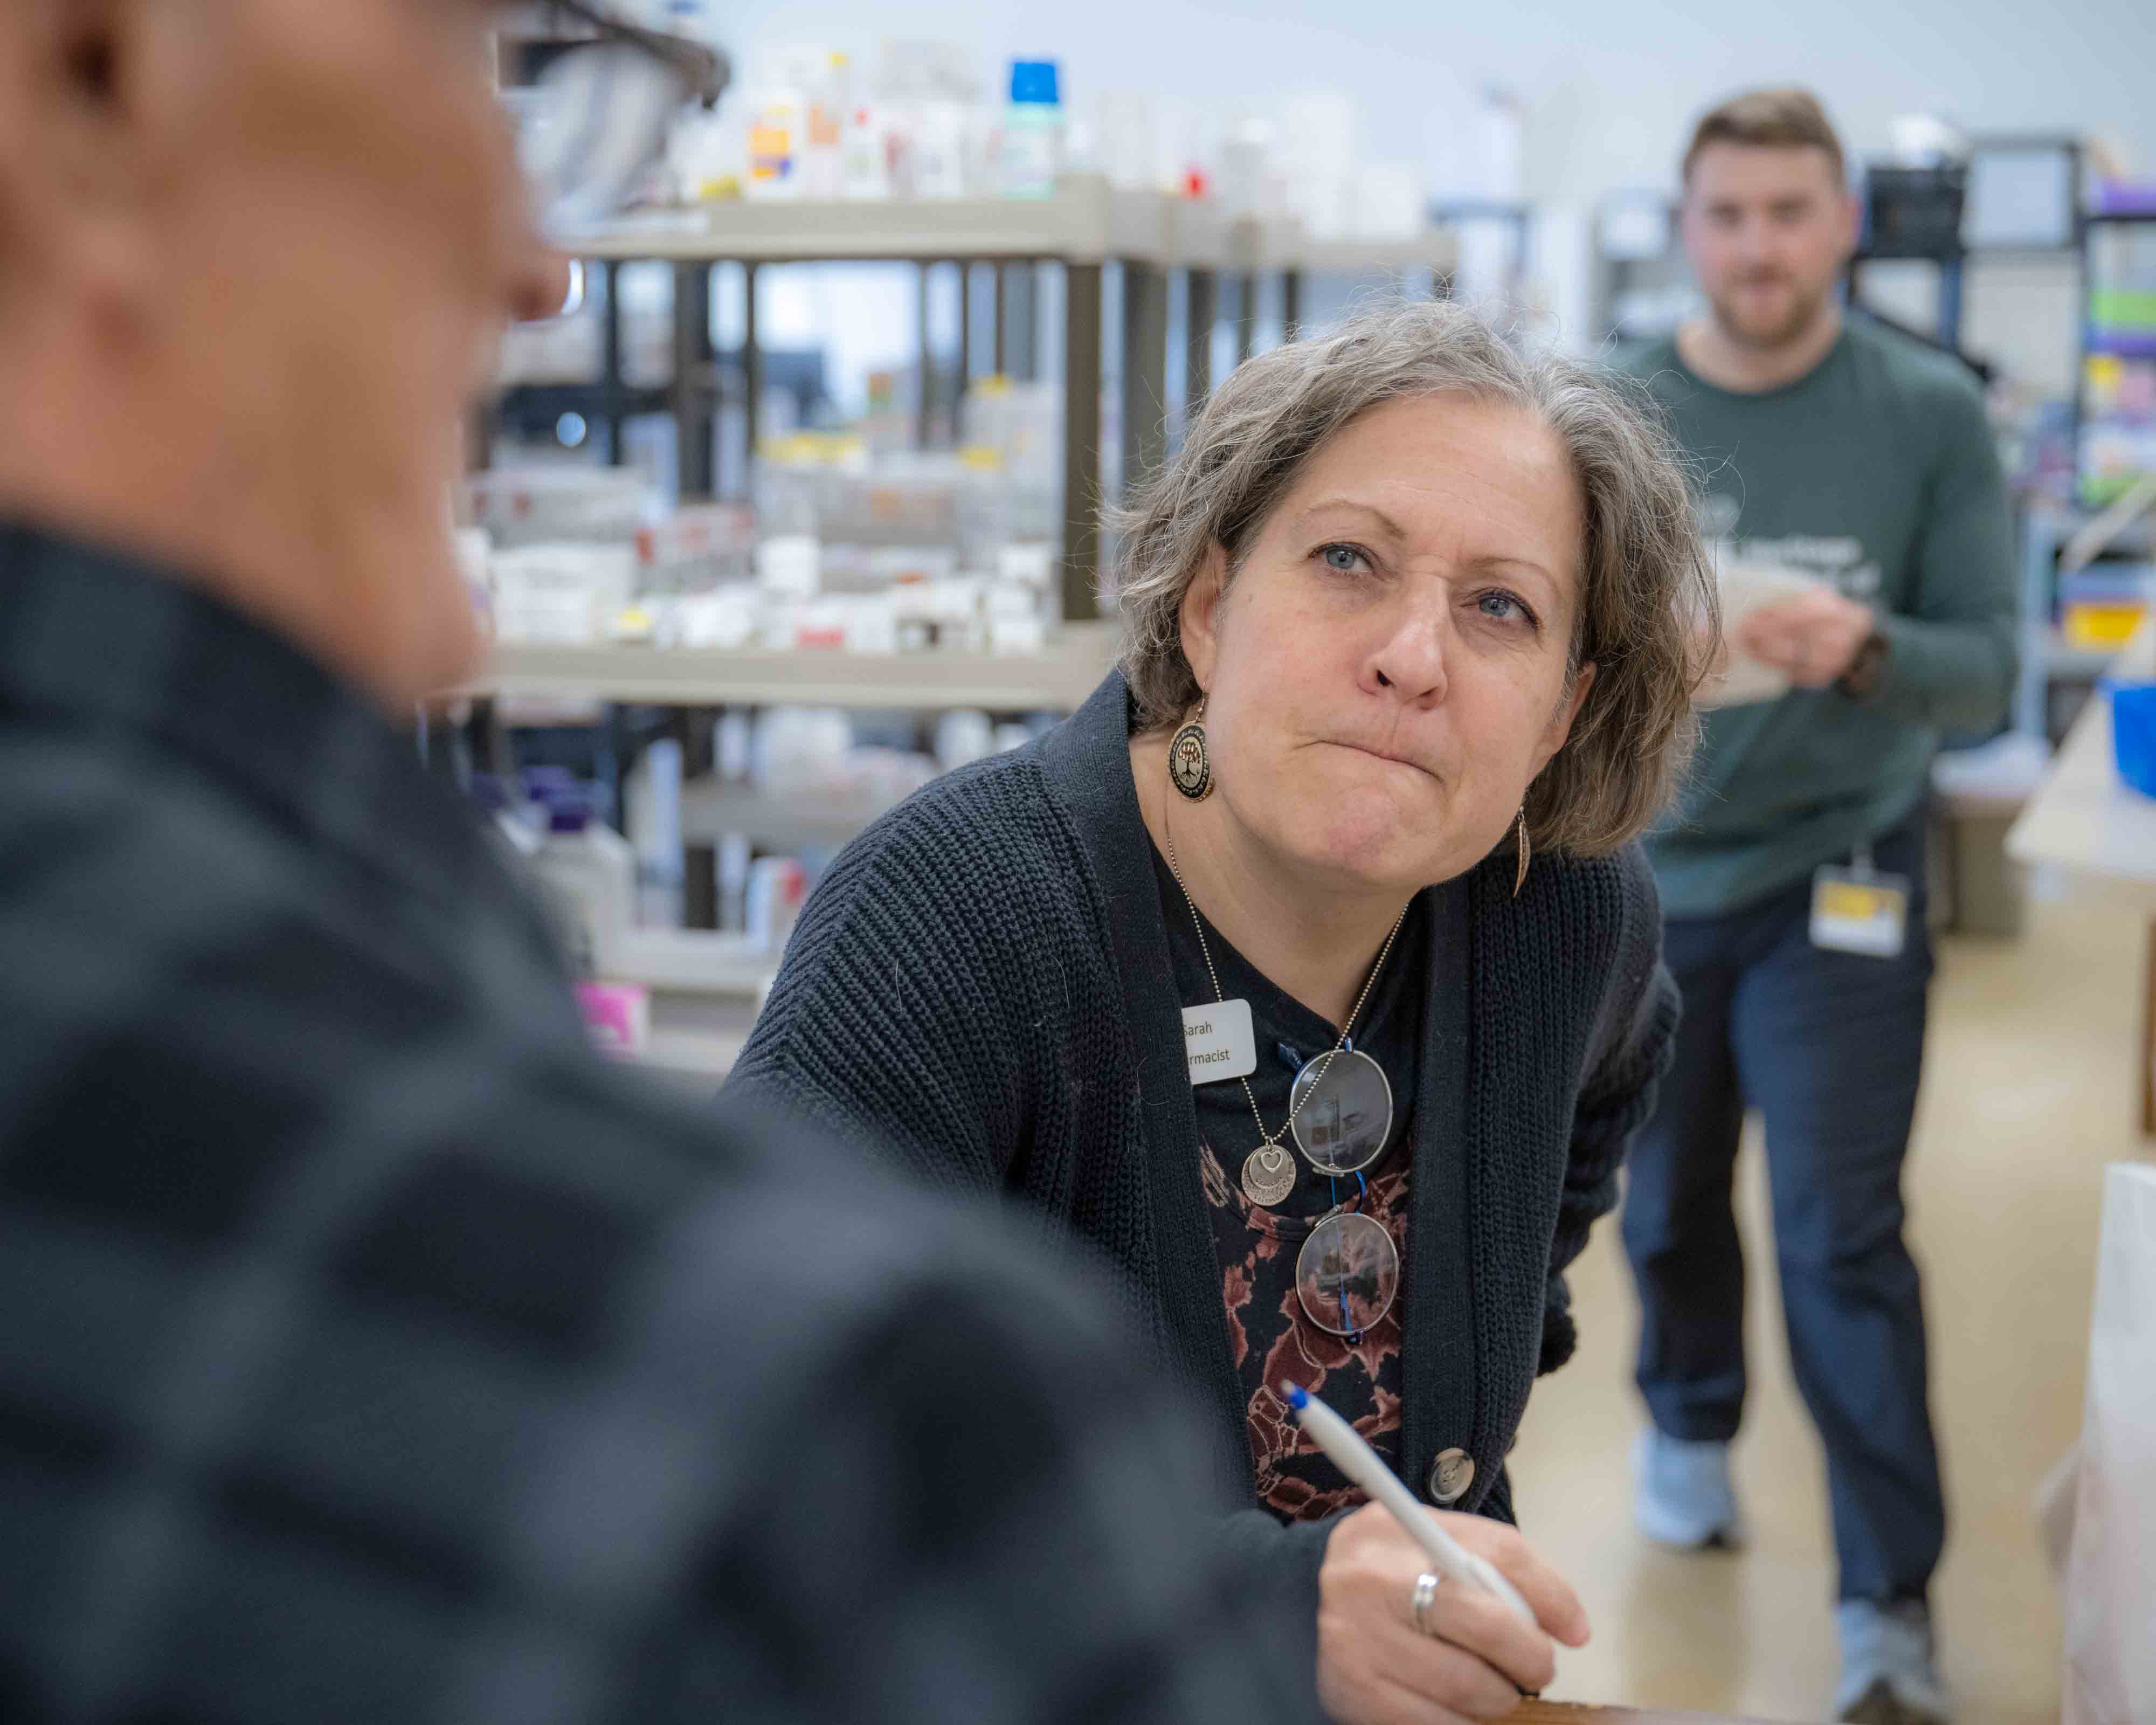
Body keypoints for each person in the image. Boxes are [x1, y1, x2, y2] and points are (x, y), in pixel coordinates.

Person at [0, 5, 1318, 1722]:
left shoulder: (1562, 934)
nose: (537, 265)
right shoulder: (824, 1457)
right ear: (92, 75)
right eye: (462, 63)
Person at [727, 298, 1717, 1722]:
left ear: (1560, 713)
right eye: (1348, 561)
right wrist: (1261, 1611)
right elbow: (760, 1444)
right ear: (1208, 608)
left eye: (1501, 607)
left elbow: (1613, 1077)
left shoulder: (1559, 913)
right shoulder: (959, 917)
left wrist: (1489, 1299)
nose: (1414, 657)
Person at [1614, 89, 2017, 1725]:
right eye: (1728, 215)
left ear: (1846, 224)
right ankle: (1688, 1418)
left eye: (1790, 213)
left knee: (1841, 1237)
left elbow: (1986, 673)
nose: (1758, 247)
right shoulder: (1615, 409)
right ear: (1687, 228)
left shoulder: (1928, 411)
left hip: (1841, 875)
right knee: (1660, 1204)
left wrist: (1864, 648)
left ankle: (1886, 1607)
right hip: (1642, 877)